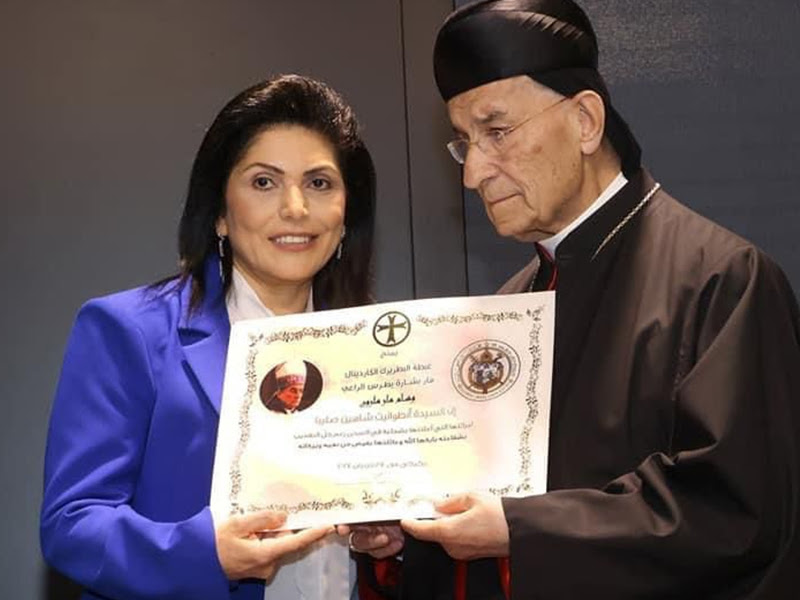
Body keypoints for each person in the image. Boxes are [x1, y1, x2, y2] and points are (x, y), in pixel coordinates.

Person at [348, 1, 800, 598]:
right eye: (464, 142)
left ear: (586, 120)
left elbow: (737, 514)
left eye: (497, 131)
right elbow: (488, 522)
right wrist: (416, 536)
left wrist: (517, 528)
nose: (473, 173)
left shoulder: (723, 280)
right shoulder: (511, 307)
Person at [41, 74, 376, 600]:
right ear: (220, 212)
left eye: (319, 183)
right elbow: (72, 524)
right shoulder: (128, 330)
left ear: (346, 213)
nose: (295, 208)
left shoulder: (383, 350)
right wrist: (207, 552)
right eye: (264, 182)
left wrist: (388, 543)